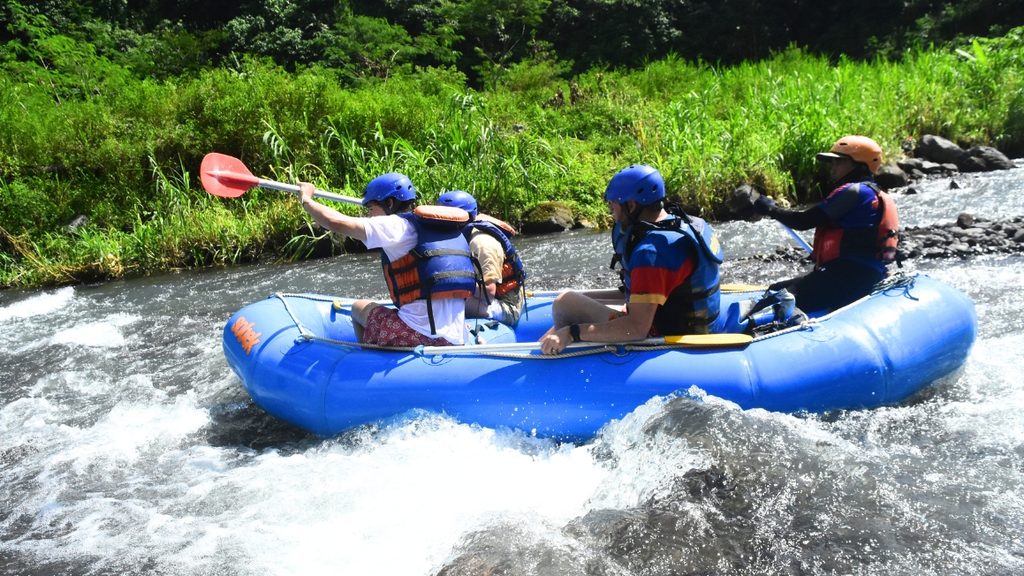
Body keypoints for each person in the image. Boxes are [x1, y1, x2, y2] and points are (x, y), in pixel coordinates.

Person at [538, 164, 726, 355]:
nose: (612, 212)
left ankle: (558, 356)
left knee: (565, 303)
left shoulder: (651, 253)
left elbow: (636, 329)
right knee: (573, 298)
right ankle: (547, 343)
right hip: (687, 323)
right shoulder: (680, 225)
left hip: (664, 337)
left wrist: (573, 332)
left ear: (632, 205)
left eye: (614, 205)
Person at [297, 173, 478, 346]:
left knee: (358, 307)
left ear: (389, 203)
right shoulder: (445, 229)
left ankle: (367, 359)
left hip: (419, 335)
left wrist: (306, 198)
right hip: (457, 336)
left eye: (371, 208)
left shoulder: (394, 225)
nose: (369, 215)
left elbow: (334, 222)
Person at [749, 135, 900, 313]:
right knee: (777, 289)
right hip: (862, 274)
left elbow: (803, 221)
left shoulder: (854, 192)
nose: (833, 168)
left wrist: (771, 209)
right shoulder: (874, 193)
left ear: (859, 165)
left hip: (848, 276)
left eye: (839, 162)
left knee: (777, 298)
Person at [437, 190, 526, 326]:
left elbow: (488, 293)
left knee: (445, 303)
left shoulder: (482, 245)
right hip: (483, 299)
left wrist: (450, 282)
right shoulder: (464, 235)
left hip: (504, 306)